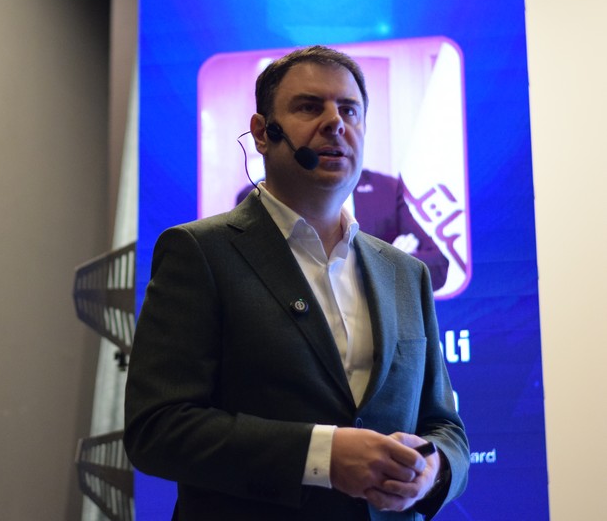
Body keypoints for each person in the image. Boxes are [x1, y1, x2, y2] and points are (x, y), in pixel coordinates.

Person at [124, 46, 468, 520]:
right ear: (262, 133)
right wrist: (323, 456)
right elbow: (157, 429)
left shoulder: (405, 272)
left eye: (349, 110)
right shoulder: (200, 253)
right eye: (309, 107)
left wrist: (434, 470)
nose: (335, 123)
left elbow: (445, 427)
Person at [238, 168, 451, 291]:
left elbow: (438, 266)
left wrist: (388, 265)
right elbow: (257, 277)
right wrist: (385, 262)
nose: (337, 127)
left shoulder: (386, 190)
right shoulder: (263, 195)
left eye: (349, 113)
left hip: (379, 340)